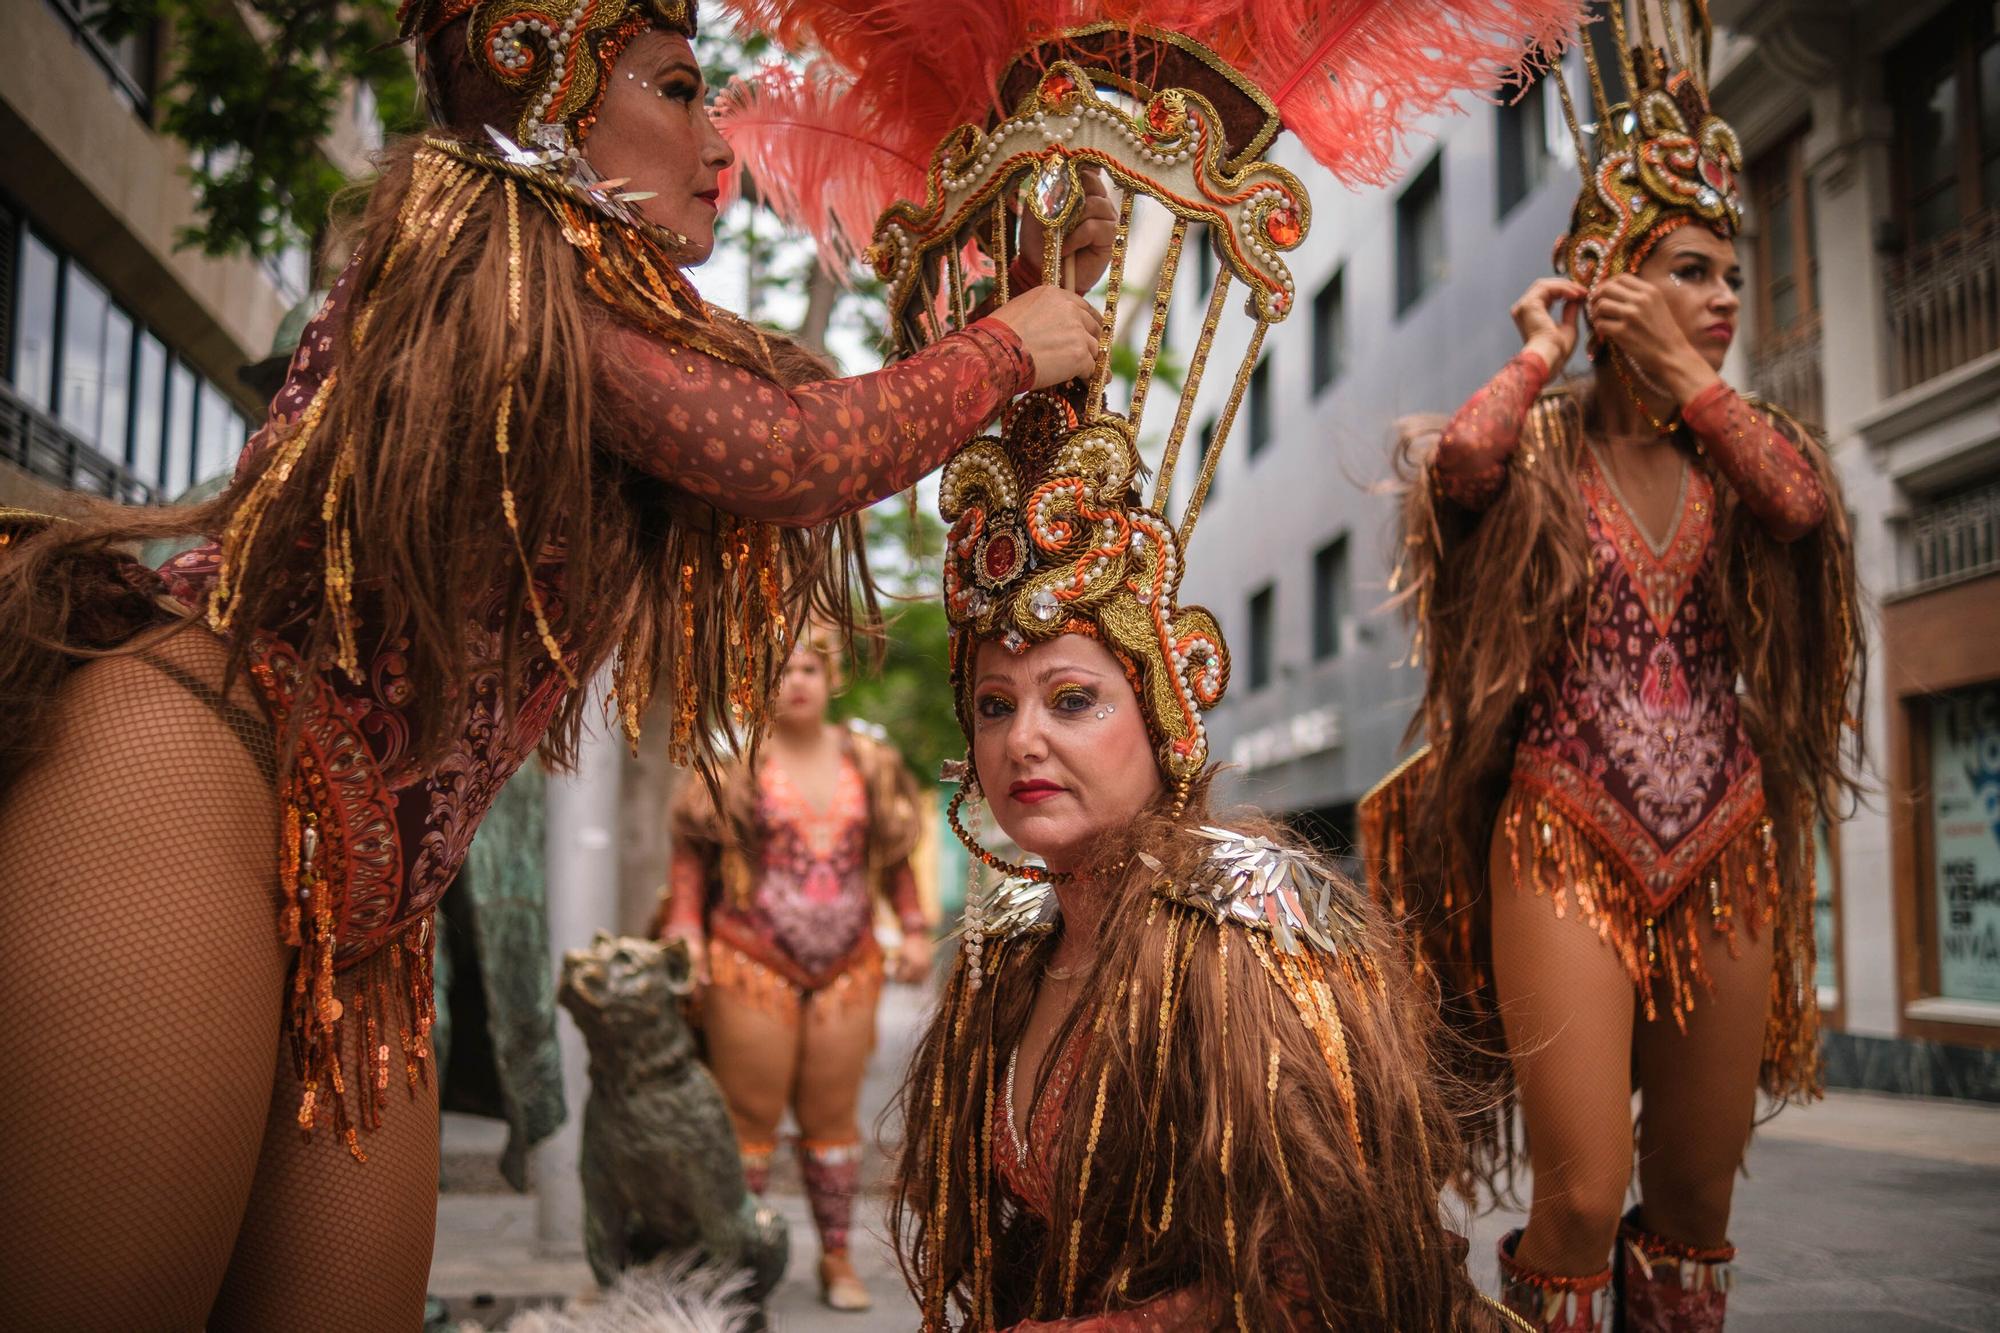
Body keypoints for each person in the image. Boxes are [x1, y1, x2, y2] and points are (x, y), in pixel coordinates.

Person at [0, 0, 1108, 1324]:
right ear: (548, 86)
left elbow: (820, 409)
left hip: (374, 904)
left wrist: (1024, 288)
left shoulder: (616, 303)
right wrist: (1004, 343)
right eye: (680, 88)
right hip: (192, 775)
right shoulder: (490, 247)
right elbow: (790, 451)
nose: (721, 142)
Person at [1360, 8, 1862, 1329]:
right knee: (1582, 1198)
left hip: (1726, 841)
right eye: (1693, 272)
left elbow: (1804, 510)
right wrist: (1543, 346)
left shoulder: (1737, 448)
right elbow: (1460, 470)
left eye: (1732, 279)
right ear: (1616, 277)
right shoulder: (1539, 449)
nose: (1726, 300)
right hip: (1563, 836)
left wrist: (1686, 375)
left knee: (1697, 1206)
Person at [654, 628, 932, 1312]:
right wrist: (685, 929)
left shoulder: (868, 760)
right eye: (780, 669)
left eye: (809, 667)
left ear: (830, 675)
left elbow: (895, 855)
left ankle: (836, 1257)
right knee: (747, 1117)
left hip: (848, 966)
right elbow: (693, 856)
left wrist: (917, 927)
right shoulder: (733, 763)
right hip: (751, 960)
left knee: (831, 1116)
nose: (796, 680)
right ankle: (741, 1263)